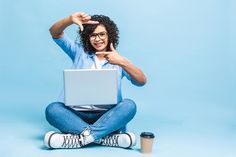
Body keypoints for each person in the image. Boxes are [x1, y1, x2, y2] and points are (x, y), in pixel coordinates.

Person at [44, 12, 147, 149]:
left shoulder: (119, 60)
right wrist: (70, 20)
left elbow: (141, 81)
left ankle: (81, 138)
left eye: (102, 34)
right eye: (93, 35)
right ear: (87, 37)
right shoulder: (79, 52)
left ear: (109, 35)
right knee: (53, 109)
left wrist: (122, 62)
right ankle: (104, 138)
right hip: (76, 115)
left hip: (106, 116)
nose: (98, 39)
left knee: (129, 105)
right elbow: (54, 32)